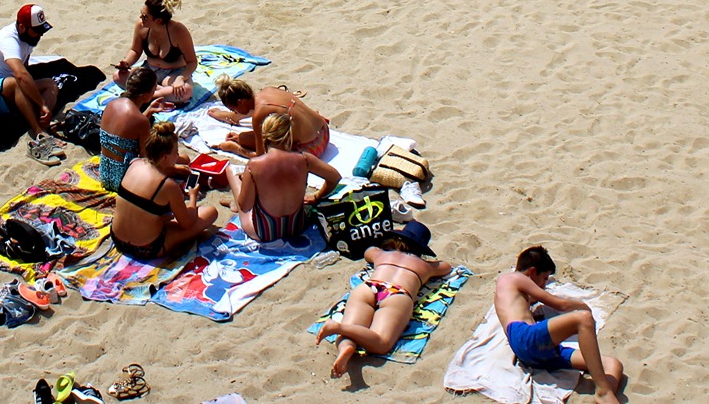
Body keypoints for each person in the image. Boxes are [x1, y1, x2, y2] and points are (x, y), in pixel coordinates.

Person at [317, 223, 459, 377]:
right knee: (381, 343)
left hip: (370, 287)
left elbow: (368, 252)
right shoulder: (425, 265)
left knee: (352, 328)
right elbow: (446, 267)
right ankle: (338, 328)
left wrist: (386, 247)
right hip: (397, 293)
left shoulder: (382, 254)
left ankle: (345, 346)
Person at [493, 246, 625, 404]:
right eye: (544, 278)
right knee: (583, 318)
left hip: (537, 353)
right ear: (532, 272)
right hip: (524, 337)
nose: (544, 285)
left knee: (613, 364)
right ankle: (603, 391)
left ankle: (604, 396)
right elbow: (559, 304)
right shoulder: (512, 277)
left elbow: (533, 300)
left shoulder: (513, 292)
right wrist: (584, 306)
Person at [109, 120, 219, 263]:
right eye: (176, 153)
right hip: (147, 248)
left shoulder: (134, 163)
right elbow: (187, 223)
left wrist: (173, 169)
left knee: (153, 211)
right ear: (165, 157)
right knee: (210, 212)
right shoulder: (167, 185)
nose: (177, 156)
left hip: (117, 238)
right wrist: (192, 197)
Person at [232, 110, 342, 244]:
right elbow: (335, 177)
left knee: (231, 172)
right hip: (297, 227)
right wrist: (316, 197)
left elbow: (245, 206)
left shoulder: (254, 165)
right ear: (289, 135)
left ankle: (234, 200)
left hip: (265, 233)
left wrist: (245, 183)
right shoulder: (304, 159)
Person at [0, 4, 60, 139]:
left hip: (4, 89)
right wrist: (42, 103)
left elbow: (25, 67)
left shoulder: (28, 38)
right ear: (22, 27)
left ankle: (43, 122)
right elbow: (21, 75)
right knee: (16, 82)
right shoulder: (9, 40)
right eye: (36, 31)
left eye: (42, 31)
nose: (40, 35)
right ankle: (38, 132)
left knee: (50, 85)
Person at [210, 76, 332, 159]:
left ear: (241, 102)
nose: (237, 113)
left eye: (234, 110)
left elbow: (260, 157)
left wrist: (234, 148)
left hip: (312, 148)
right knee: (243, 137)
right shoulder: (269, 90)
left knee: (245, 139)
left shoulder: (258, 115)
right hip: (324, 131)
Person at [113, 0, 198, 104]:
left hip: (173, 73)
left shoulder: (178, 31)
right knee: (118, 76)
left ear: (158, 20)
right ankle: (159, 93)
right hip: (149, 71)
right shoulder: (141, 27)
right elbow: (135, 50)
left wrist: (180, 78)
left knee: (185, 91)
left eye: (145, 16)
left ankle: (145, 94)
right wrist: (126, 63)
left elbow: (192, 62)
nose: (140, 18)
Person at [99, 67, 170, 190]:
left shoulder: (112, 104)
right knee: (177, 159)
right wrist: (173, 168)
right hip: (125, 180)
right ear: (145, 95)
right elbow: (146, 157)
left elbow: (127, 130)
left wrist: (149, 111)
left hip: (105, 173)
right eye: (154, 89)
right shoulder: (140, 121)